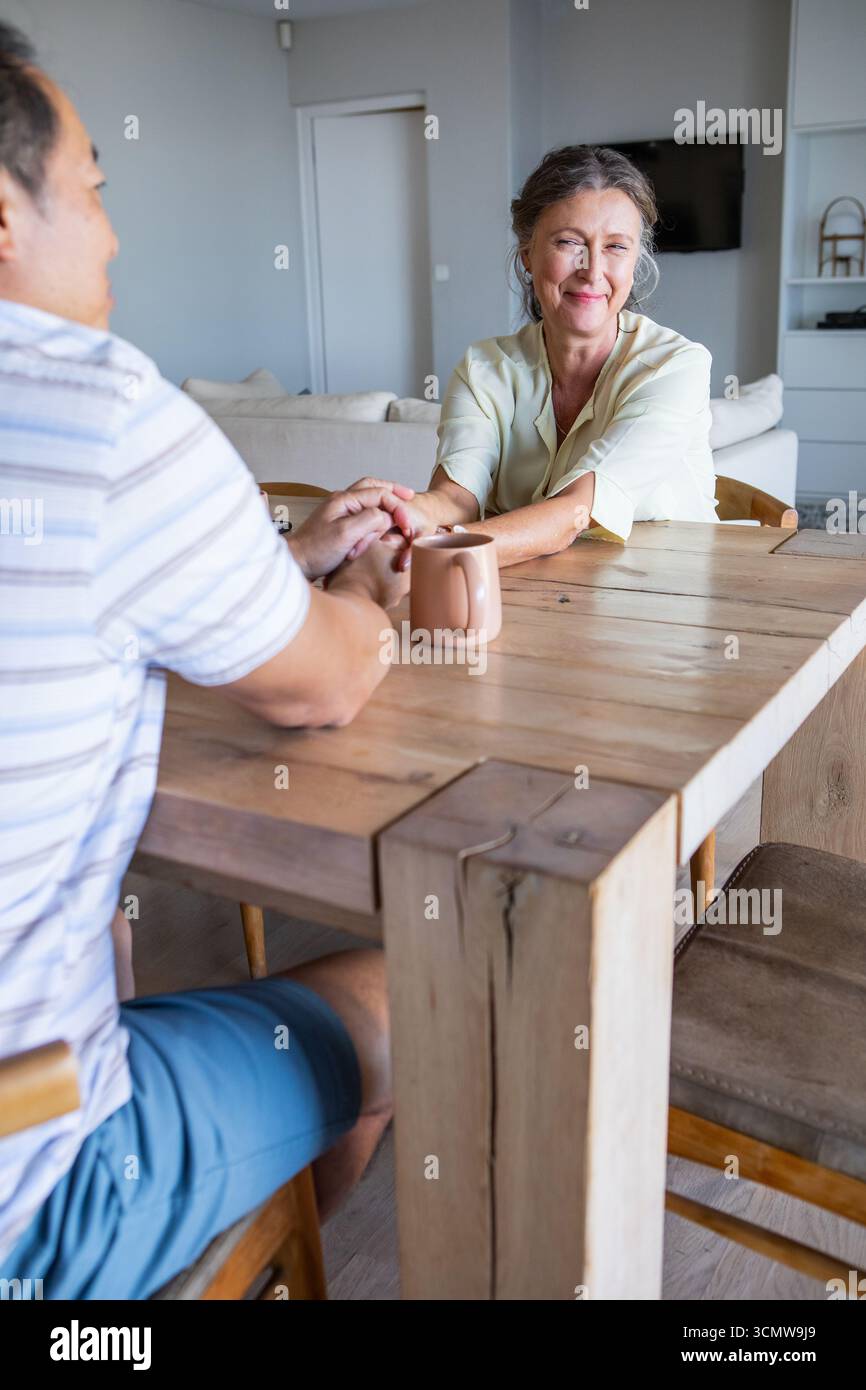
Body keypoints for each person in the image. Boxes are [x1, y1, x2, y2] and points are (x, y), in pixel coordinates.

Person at [0, 22, 412, 1298]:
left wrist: (277, 555)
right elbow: (330, 682)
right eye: (96, 192)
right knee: (409, 993)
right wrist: (371, 598)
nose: (116, 235)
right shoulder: (100, 407)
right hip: (32, 1196)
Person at [399, 145, 719, 567]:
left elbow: (573, 512)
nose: (592, 270)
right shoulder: (484, 368)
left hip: (664, 601)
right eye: (570, 241)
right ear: (528, 253)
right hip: (540, 591)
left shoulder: (675, 366)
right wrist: (400, 514)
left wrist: (444, 551)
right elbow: (457, 496)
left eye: (616, 247)